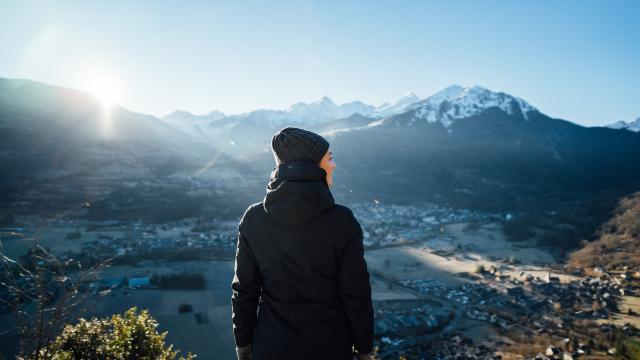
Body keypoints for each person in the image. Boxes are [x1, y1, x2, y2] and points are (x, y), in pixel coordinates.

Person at [231, 127, 374, 360]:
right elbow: (356, 294)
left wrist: (243, 345)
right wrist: (365, 350)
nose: (334, 165)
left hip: (271, 348)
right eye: (329, 158)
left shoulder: (253, 219)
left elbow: (244, 291)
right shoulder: (341, 221)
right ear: (312, 165)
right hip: (330, 349)